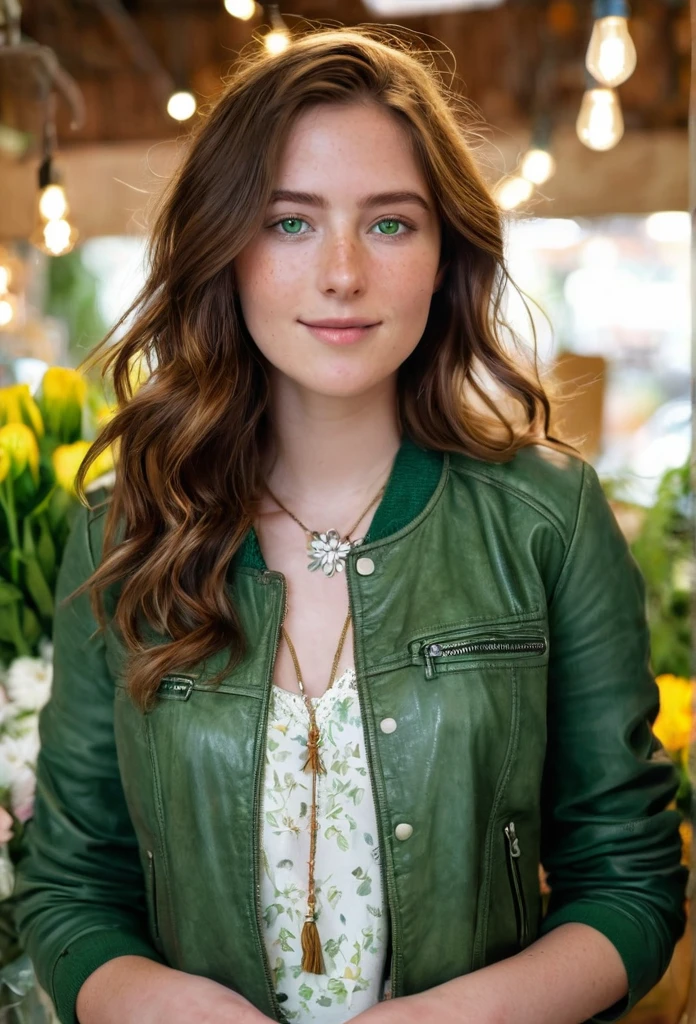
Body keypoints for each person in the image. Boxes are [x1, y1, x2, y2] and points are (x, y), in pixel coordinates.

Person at [12, 23, 688, 1024]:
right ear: (225, 245)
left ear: (443, 252)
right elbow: (70, 887)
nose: (340, 272)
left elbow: (631, 880)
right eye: (289, 222)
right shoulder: (128, 529)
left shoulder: (547, 517)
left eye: (389, 223)